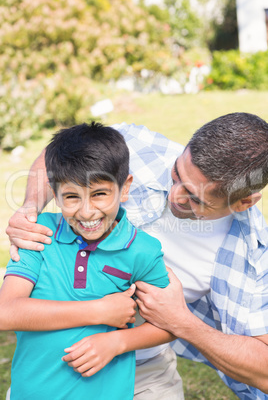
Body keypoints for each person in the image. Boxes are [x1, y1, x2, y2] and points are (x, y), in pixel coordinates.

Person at [6, 112, 268, 399]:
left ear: (244, 202)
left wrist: (180, 322)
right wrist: (30, 207)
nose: (174, 195)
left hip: (142, 365)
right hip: (47, 361)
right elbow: (62, 154)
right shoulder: (140, 147)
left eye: (195, 198)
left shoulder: (254, 258)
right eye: (177, 174)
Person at [0, 122, 177, 400]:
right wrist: (98, 311)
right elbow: (6, 313)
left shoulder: (142, 250)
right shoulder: (38, 235)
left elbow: (170, 323)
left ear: (125, 187)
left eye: (99, 194)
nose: (86, 211)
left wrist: (117, 341)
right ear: (54, 192)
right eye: (71, 197)